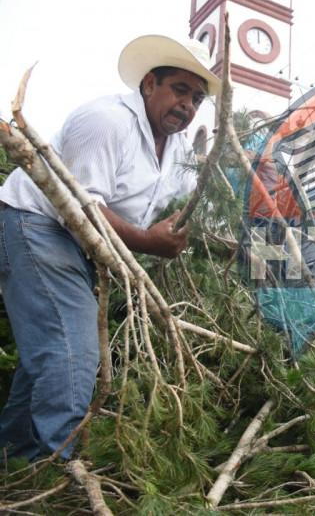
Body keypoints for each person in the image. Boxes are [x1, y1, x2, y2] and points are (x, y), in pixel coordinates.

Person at [0, 34, 221, 461]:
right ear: (149, 84)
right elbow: (81, 209)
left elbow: (189, 208)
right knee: (72, 352)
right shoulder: (107, 120)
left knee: (47, 354)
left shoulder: (175, 149)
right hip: (37, 225)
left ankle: (17, 467)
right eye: (179, 90)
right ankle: (56, 474)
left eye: (197, 98)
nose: (188, 106)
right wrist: (148, 242)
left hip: (78, 246)